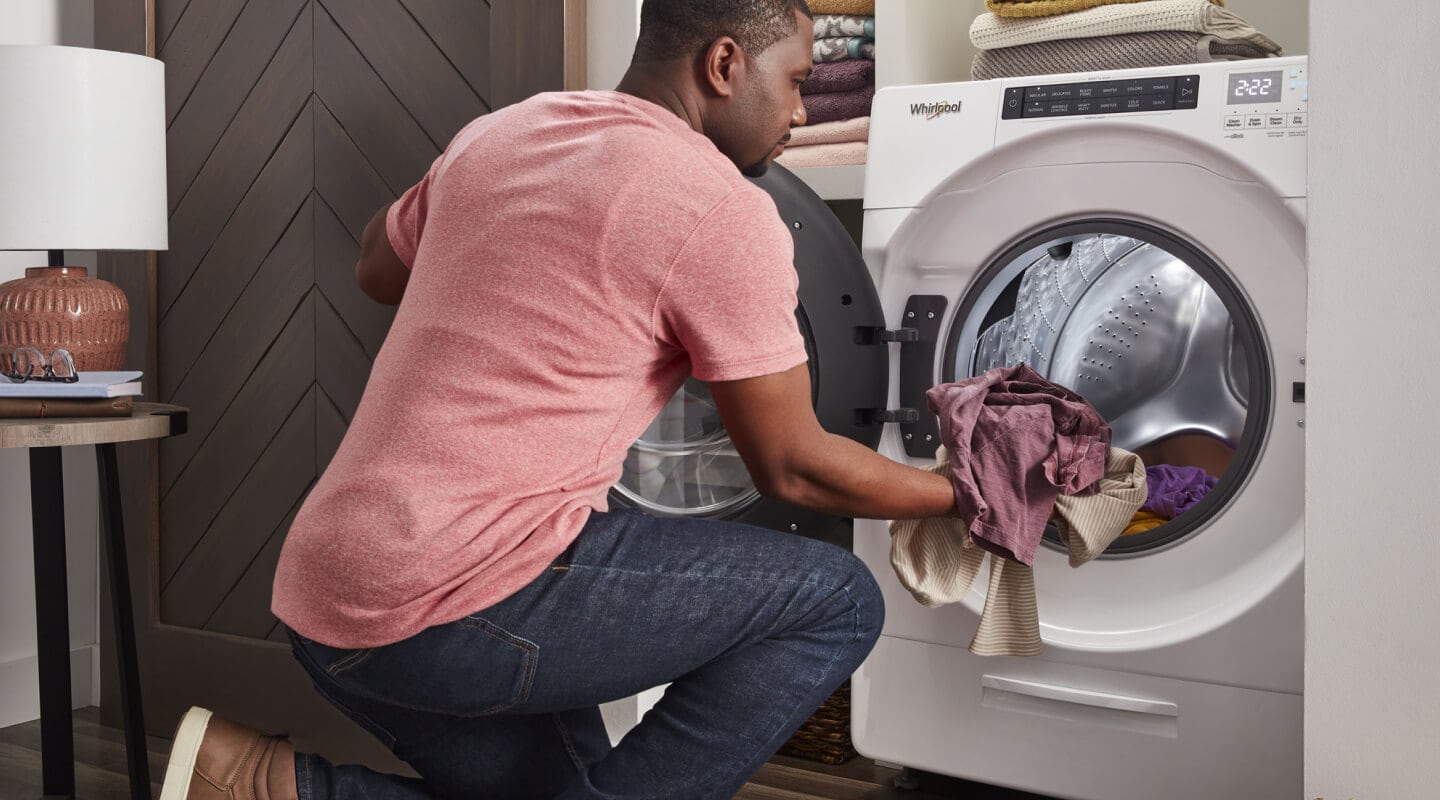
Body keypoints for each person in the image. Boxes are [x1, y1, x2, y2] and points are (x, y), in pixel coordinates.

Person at [157, 1, 954, 798]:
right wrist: (963, 495)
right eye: (795, 81)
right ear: (723, 66)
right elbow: (793, 470)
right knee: (836, 598)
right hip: (452, 599)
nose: (800, 111)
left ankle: (254, 781)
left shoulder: (507, 132)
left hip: (326, 585)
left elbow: (375, 266)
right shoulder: (720, 206)